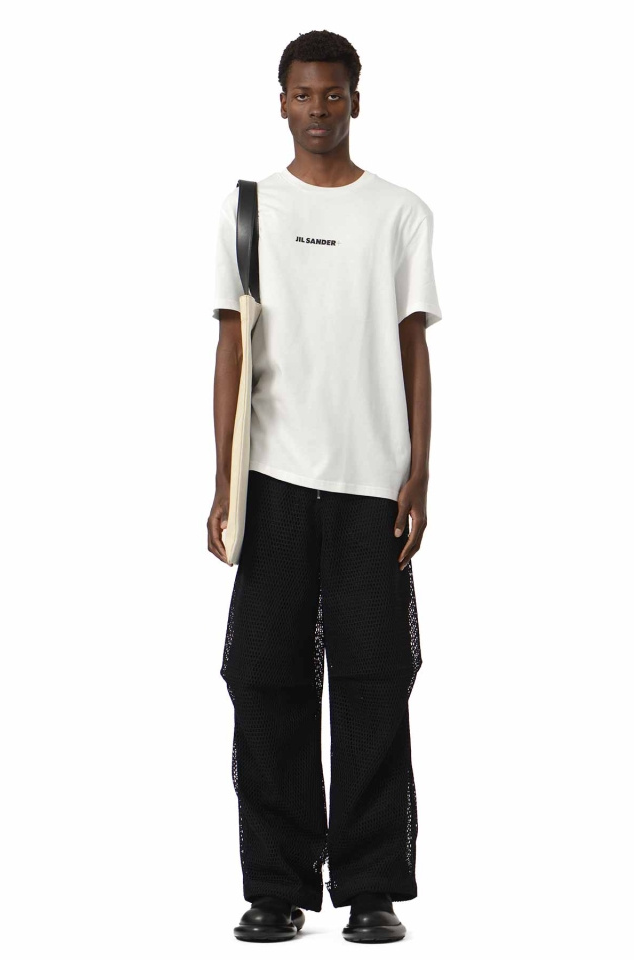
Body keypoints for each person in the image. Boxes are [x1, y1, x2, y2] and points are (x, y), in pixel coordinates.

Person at [207, 29, 442, 944]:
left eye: (333, 94)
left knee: (376, 678)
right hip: (272, 475)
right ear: (281, 102)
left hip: (371, 481)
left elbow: (413, 348)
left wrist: (419, 469)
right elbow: (231, 347)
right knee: (262, 673)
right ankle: (277, 886)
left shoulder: (400, 213)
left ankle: (372, 885)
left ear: (356, 100)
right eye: (303, 94)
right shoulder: (249, 209)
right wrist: (222, 482)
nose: (318, 110)